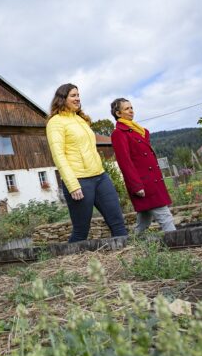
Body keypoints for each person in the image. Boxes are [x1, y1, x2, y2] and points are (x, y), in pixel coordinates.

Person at [46, 84, 128, 242]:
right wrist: (72, 184)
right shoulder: (55, 122)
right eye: (73, 95)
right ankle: (69, 264)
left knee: (118, 222)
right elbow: (58, 155)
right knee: (81, 231)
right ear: (62, 98)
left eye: (78, 95)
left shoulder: (81, 120)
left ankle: (128, 261)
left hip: (100, 177)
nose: (77, 98)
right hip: (79, 181)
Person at [109, 98, 176, 233]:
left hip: (153, 180)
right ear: (118, 113)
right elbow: (125, 162)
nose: (131, 111)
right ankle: (177, 245)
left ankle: (134, 244)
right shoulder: (119, 133)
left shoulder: (138, 131)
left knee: (144, 219)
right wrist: (136, 186)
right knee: (165, 216)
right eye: (127, 108)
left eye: (131, 107)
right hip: (143, 183)